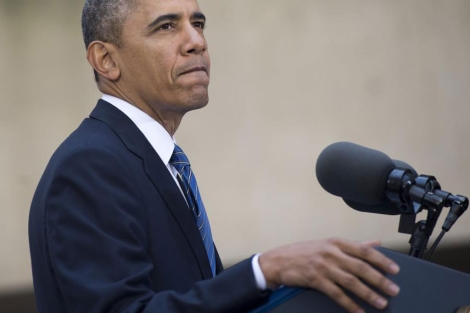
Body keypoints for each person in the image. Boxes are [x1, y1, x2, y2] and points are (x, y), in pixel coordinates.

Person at [29, 0, 400, 312]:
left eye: (199, 23)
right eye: (166, 27)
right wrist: (264, 270)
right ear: (106, 60)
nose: (196, 42)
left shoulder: (154, 160)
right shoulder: (91, 165)